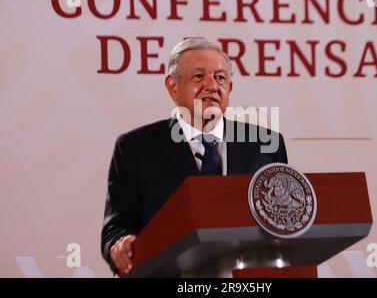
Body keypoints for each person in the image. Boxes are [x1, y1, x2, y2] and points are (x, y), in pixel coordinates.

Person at [101, 38, 288, 275]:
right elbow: (116, 228)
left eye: (220, 77)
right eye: (199, 76)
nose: (212, 85)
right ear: (173, 87)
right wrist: (121, 243)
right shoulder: (135, 148)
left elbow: (283, 221)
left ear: (229, 89)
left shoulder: (265, 144)